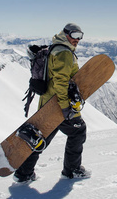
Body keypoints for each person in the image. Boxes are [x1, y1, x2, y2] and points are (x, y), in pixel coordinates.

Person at [14, 23, 90, 183]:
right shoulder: (64, 53)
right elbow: (60, 82)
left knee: (41, 136)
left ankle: (23, 174)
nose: (77, 40)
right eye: (75, 35)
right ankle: (72, 170)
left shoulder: (55, 47)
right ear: (66, 34)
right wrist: (65, 108)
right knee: (78, 131)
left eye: (80, 36)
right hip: (59, 103)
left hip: (47, 102)